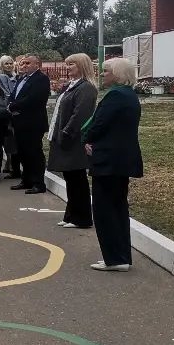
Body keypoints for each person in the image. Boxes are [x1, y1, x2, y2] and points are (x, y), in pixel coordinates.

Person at [84, 58, 144, 272]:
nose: (102, 74)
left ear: (118, 74)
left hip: (109, 160)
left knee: (105, 209)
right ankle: (120, 257)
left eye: (106, 71)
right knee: (117, 207)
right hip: (119, 160)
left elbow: (98, 124)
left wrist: (87, 139)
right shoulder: (128, 95)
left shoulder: (116, 95)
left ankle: (115, 258)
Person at [46, 53, 98, 229]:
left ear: (82, 65)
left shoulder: (86, 88)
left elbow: (80, 114)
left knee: (77, 179)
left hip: (73, 140)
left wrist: (66, 132)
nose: (67, 68)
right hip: (64, 138)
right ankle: (71, 215)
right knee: (71, 178)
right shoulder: (71, 86)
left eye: (71, 64)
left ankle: (82, 218)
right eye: (67, 64)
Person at [8, 54, 50, 194]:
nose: (24, 65)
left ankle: (38, 183)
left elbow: (34, 99)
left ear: (37, 64)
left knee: (34, 153)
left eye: (27, 63)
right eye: (23, 63)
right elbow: (14, 95)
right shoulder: (22, 78)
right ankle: (26, 180)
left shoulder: (41, 79)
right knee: (22, 152)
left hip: (33, 123)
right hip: (19, 121)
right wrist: (10, 104)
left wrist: (13, 106)